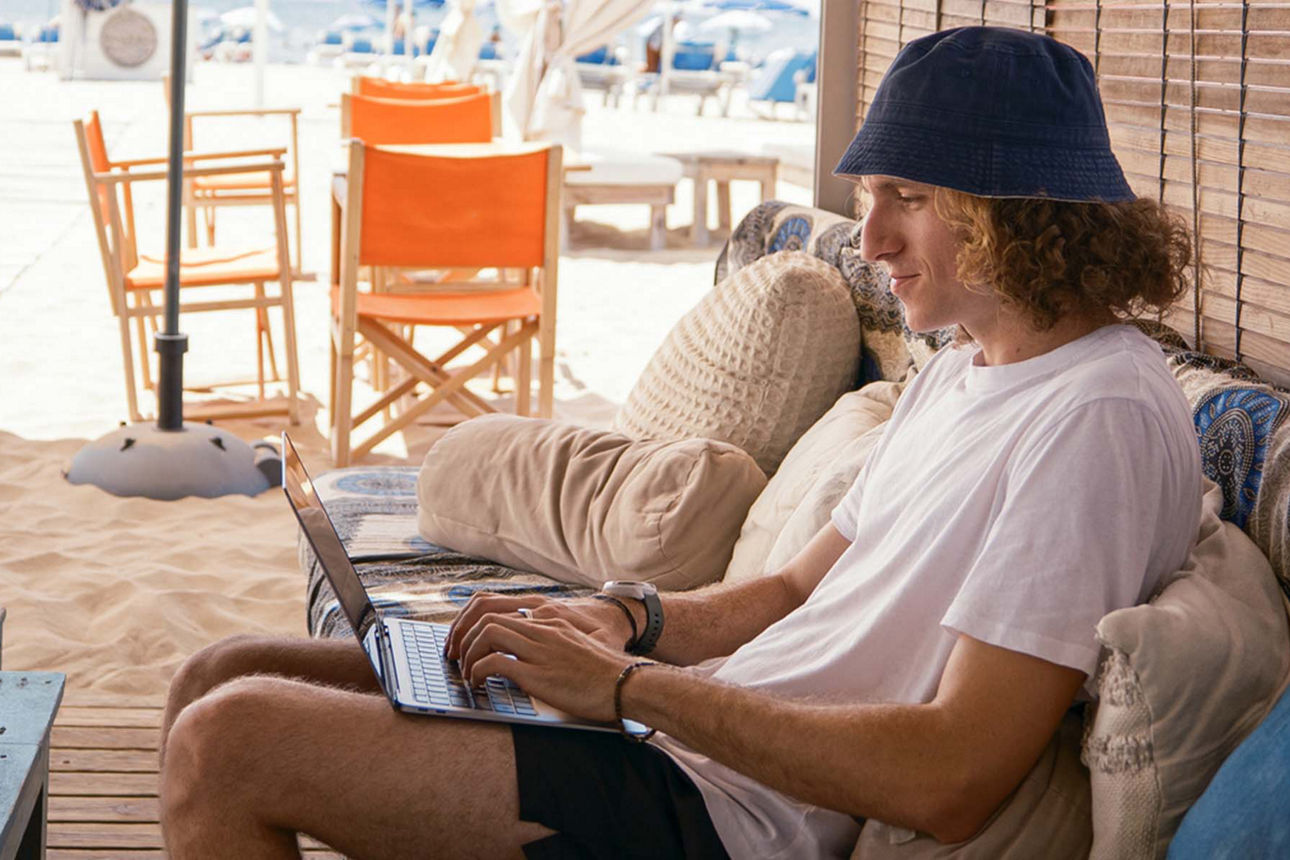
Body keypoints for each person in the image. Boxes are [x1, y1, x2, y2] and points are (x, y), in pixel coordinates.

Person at [157, 26, 1202, 859]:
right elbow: (789, 591)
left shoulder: (1096, 418)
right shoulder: (961, 372)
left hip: (732, 810)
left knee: (228, 740)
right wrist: (619, 618)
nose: (872, 237)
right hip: (678, 734)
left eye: (911, 197)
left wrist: (624, 687)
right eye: (870, 195)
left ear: (1020, 214)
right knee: (223, 669)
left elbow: (953, 776)